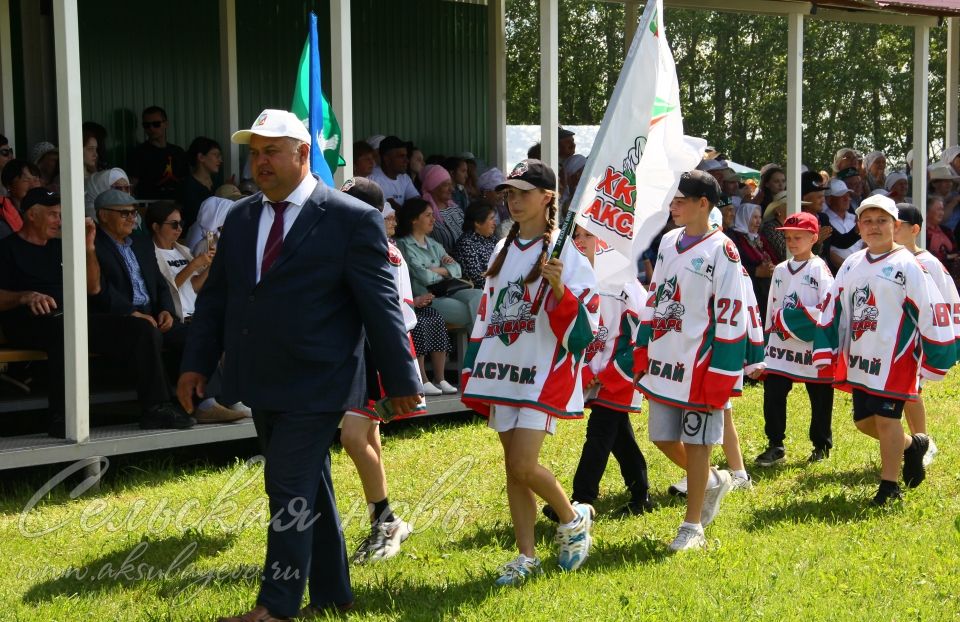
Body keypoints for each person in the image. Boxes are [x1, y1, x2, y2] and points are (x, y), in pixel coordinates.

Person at [178, 109, 422, 621]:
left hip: (323, 379)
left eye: (271, 151)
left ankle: (276, 605)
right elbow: (217, 300)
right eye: (255, 152)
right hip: (262, 379)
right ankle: (334, 596)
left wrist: (402, 380)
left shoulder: (351, 217)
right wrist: (194, 364)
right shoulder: (241, 217)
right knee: (310, 485)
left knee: (286, 485)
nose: (260, 162)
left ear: (302, 154)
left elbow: (380, 306)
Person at [460, 159, 598, 584]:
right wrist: (473, 366)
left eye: (522, 192)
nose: (514, 200)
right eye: (509, 193)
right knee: (511, 468)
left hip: (542, 372)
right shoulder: (503, 248)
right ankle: (526, 555)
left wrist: (558, 288)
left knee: (524, 464)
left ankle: (572, 519)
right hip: (503, 371)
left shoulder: (566, 253)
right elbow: (488, 313)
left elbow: (585, 331)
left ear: (547, 197)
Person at [0, 188, 195, 436]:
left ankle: (156, 407)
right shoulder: (7, 249)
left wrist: (89, 248)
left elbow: (93, 287)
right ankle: (64, 417)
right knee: (66, 330)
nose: (59, 221)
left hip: (74, 317)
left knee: (141, 329)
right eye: (53, 215)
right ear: (32, 215)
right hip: (30, 321)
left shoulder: (61, 248)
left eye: (61, 215)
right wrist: (24, 296)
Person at [814, 195, 956, 505]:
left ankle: (889, 487)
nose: (874, 227)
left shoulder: (909, 264)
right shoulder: (852, 262)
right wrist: (825, 346)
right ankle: (910, 447)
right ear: (859, 226)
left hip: (897, 357)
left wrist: (938, 351)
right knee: (865, 423)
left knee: (886, 419)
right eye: (867, 221)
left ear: (895, 225)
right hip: (861, 357)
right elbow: (833, 306)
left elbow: (930, 309)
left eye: (882, 221)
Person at [633, 170, 745, 552]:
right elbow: (655, 295)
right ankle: (713, 481)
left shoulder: (723, 249)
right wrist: (642, 343)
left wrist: (724, 371)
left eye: (680, 200)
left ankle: (692, 525)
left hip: (702, 364)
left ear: (703, 204)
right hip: (665, 359)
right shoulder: (667, 241)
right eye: (672, 200)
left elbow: (732, 311)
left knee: (698, 443)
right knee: (662, 437)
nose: (672, 207)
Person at [337, 177, 424, 564]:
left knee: (353, 438)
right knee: (367, 436)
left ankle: (386, 519)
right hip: (366, 350)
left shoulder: (382, 252)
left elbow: (398, 315)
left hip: (378, 351)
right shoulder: (361, 246)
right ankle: (383, 517)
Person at [559, 225, 652, 517]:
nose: (581, 241)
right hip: (596, 376)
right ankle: (641, 494)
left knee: (599, 433)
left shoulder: (624, 285)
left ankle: (580, 500)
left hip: (619, 376)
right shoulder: (580, 282)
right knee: (620, 437)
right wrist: (586, 373)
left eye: (588, 235)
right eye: (577, 236)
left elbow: (642, 336)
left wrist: (611, 374)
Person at [145, 201, 247, 424]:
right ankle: (209, 403)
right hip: (178, 317)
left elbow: (194, 285)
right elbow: (168, 289)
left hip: (196, 312)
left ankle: (233, 396)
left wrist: (211, 266)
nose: (179, 229)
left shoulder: (183, 250)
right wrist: (193, 266)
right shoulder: (150, 253)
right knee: (205, 338)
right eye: (173, 224)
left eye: (181, 224)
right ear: (155, 226)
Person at [756, 212, 835, 467]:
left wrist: (797, 320)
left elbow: (828, 306)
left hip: (810, 343)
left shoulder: (819, 268)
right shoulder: (780, 269)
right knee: (774, 392)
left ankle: (821, 444)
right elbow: (772, 304)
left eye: (798, 237)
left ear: (813, 238)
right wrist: (768, 337)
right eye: (788, 237)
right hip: (781, 344)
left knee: (820, 394)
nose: (791, 242)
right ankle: (775, 444)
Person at [893, 205, 960, 466]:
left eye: (898, 225)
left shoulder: (928, 262)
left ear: (915, 229)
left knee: (910, 390)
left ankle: (923, 442)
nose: (893, 229)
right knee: (899, 392)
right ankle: (906, 442)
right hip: (893, 339)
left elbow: (947, 302)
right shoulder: (889, 258)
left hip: (919, 339)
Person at [395, 198, 481, 335]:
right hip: (427, 298)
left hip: (449, 290)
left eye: (432, 215)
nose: (433, 219)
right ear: (414, 219)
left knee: (480, 296)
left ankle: (478, 351)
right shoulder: (403, 246)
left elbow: (457, 270)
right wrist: (446, 271)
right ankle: (480, 352)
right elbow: (424, 277)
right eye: (428, 215)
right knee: (472, 312)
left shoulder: (434, 244)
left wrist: (435, 270)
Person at [126, 105, 188, 199]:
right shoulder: (138, 154)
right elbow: (131, 186)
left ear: (166, 124)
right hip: (150, 207)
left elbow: (186, 181)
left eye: (156, 124)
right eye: (146, 125)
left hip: (177, 206)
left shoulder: (178, 152)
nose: (151, 128)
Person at [728, 202, 776, 319]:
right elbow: (734, 264)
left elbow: (772, 257)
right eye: (755, 217)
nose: (758, 222)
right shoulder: (734, 237)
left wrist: (772, 267)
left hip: (764, 289)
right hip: (747, 289)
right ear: (745, 217)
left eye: (760, 218)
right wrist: (755, 271)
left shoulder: (759, 238)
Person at [178, 137, 223, 232]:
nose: (220, 160)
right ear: (201, 157)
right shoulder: (188, 186)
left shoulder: (217, 183)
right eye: (216, 155)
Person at [453, 200, 498, 288]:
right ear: (477, 223)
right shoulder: (466, 244)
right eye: (491, 219)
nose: (495, 223)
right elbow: (479, 280)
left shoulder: (491, 238)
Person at [420, 164, 464, 254]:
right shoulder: (425, 213)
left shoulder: (456, 208)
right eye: (446, 185)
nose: (451, 189)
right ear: (432, 187)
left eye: (451, 184)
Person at [824, 179, 863, 272]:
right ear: (829, 200)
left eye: (848, 195)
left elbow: (866, 243)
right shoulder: (824, 221)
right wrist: (851, 269)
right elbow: (829, 253)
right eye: (841, 196)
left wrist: (862, 265)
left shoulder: (855, 218)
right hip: (838, 274)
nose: (847, 199)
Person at [368, 135, 419, 205]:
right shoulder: (371, 179)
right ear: (387, 159)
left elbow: (417, 204)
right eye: (401, 156)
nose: (407, 160)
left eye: (406, 156)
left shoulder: (404, 178)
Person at [1, 160, 41, 238]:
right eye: (26, 180)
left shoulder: (47, 210)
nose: (33, 185)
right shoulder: (2, 219)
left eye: (36, 179)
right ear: (9, 185)